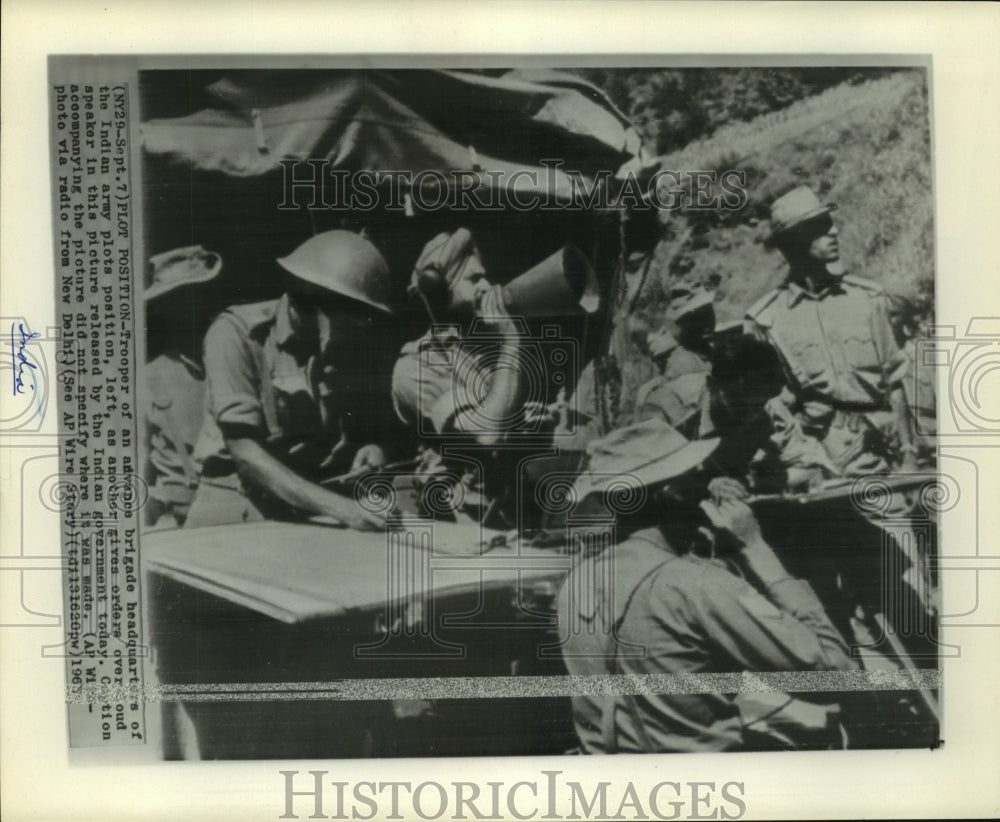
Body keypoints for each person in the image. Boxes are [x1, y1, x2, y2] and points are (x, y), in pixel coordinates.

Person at [557, 419, 857, 753]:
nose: (710, 487)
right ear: (671, 493)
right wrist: (756, 548)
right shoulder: (698, 585)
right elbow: (836, 677)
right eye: (696, 476)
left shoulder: (577, 582)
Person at [185, 230, 397, 530]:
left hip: (307, 504)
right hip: (237, 507)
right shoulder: (237, 334)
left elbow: (349, 425)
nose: (359, 325)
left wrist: (370, 449)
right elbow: (245, 454)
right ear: (314, 296)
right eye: (353, 312)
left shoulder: (335, 344)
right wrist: (342, 509)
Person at [745, 185, 917, 488]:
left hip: (883, 459)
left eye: (831, 224)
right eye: (820, 227)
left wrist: (909, 455)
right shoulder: (767, 320)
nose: (834, 232)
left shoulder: (868, 300)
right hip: (820, 469)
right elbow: (767, 407)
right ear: (792, 242)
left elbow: (895, 382)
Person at [391, 228, 529, 524]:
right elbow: (488, 433)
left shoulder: (485, 349)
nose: (487, 287)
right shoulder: (415, 367)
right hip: (459, 517)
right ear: (439, 291)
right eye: (474, 279)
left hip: (510, 505)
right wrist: (512, 340)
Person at [142, 245, 222, 529]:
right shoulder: (148, 379)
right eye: (179, 301)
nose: (194, 310)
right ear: (165, 309)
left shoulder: (236, 361)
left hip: (240, 515)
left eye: (201, 296)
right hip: (178, 525)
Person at [634, 284, 715, 436]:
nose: (708, 323)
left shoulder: (701, 354)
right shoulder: (682, 360)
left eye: (709, 315)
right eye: (698, 319)